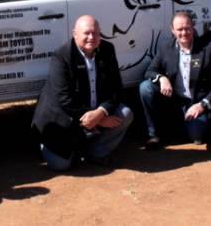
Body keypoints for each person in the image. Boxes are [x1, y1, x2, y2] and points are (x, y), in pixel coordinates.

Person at [31, 15, 134, 171]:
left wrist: (100, 112)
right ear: (75, 34)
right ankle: (51, 146)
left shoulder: (107, 49)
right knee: (61, 165)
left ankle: (94, 152)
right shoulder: (62, 55)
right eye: (87, 33)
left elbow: (116, 88)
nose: (92, 37)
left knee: (125, 114)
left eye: (96, 33)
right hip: (64, 118)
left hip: (94, 113)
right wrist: (98, 120)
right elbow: (64, 99)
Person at [139, 12, 211, 149]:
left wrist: (202, 105)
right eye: (179, 29)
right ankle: (154, 135)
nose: (184, 33)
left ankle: (183, 127)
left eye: (187, 28)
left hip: (197, 102)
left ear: (193, 27)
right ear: (172, 30)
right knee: (146, 87)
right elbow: (149, 71)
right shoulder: (166, 48)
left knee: (196, 134)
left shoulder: (210, 48)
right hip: (174, 101)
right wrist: (162, 78)